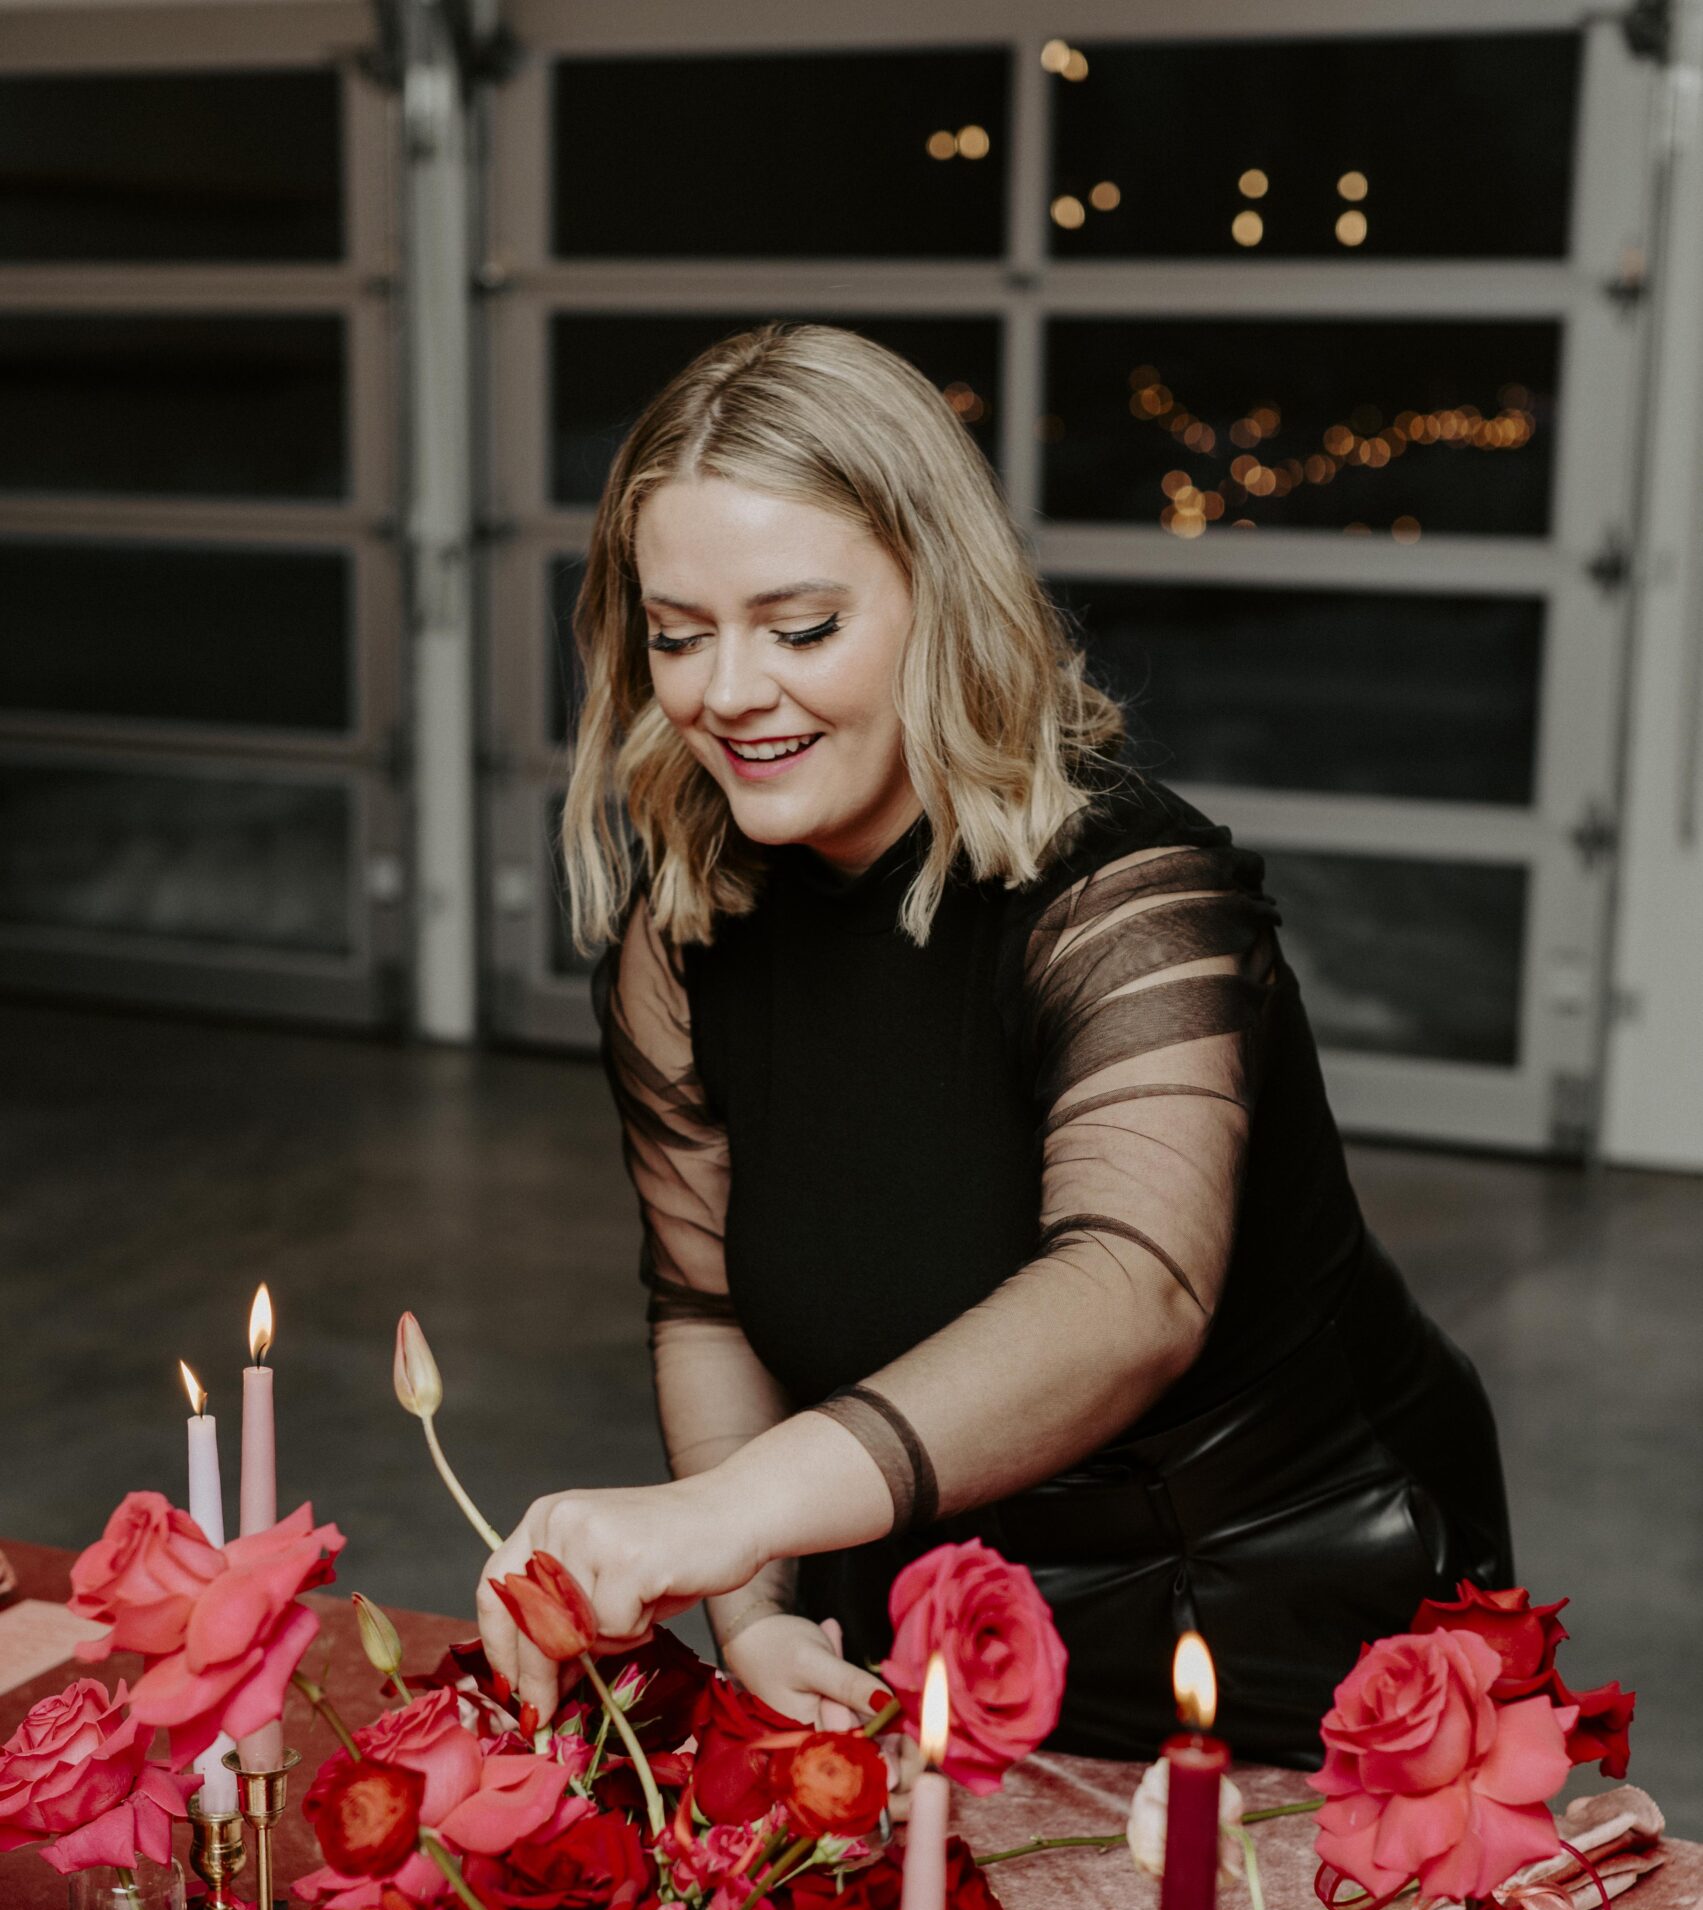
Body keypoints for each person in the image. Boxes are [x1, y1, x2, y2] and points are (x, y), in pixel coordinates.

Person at [475, 324, 1512, 1767]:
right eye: (679, 632)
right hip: (901, 1570)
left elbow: (1128, 1293)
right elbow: (705, 1305)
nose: (726, 691)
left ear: (939, 604)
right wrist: (753, 1607)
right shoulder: (684, 935)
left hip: (1263, 1600)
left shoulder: (1129, 897)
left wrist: (721, 1517)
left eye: (802, 625)